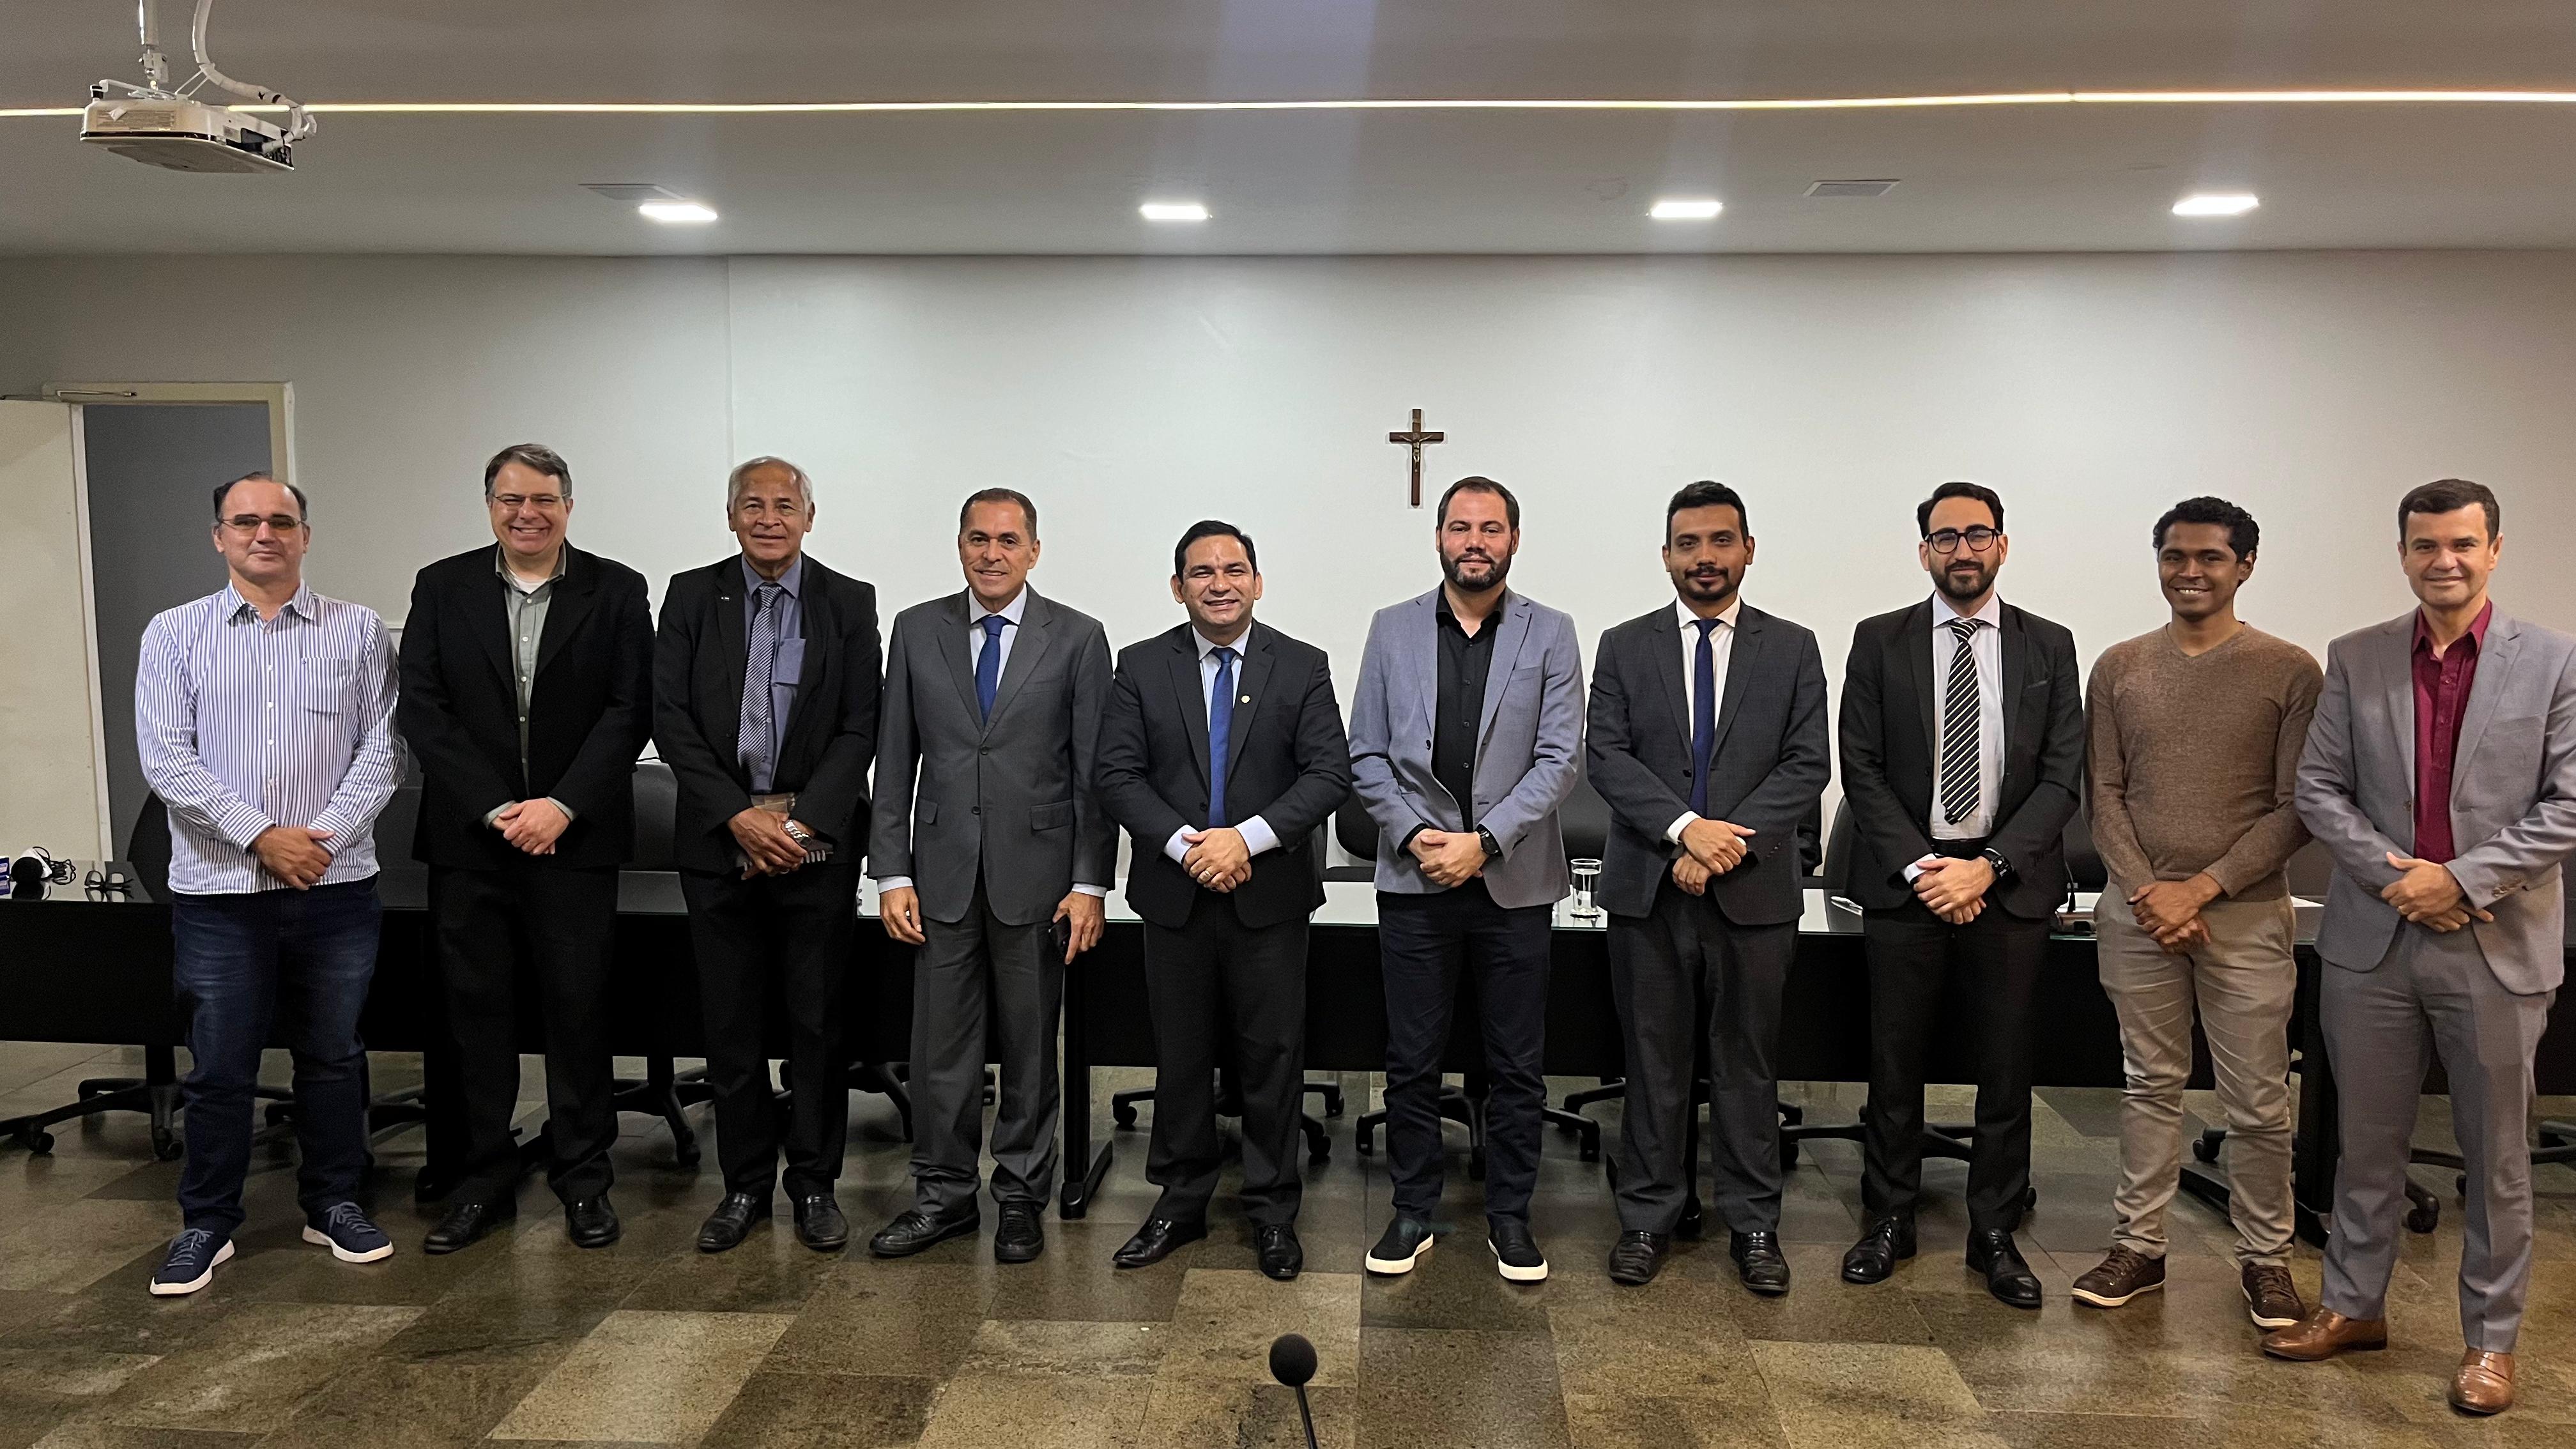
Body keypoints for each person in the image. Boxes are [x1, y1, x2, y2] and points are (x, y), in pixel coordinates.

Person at [2269, 479, 2575, 1416]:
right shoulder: (2356, 656)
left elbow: (2568, 804)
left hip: (2495, 942)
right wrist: (2398, 877)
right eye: (2425, 545)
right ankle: (2354, 1306)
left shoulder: (2554, 661)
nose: (2444, 560)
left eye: (2462, 544)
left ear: (2494, 550)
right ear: (2403, 553)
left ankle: (2491, 1342)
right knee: (2365, 1145)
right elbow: (2319, 789)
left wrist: (2461, 880)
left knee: (2497, 1157)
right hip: (2373, 940)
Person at [135, 471, 405, 1296]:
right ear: (219, 536)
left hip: (334, 885)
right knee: (220, 1066)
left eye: (281, 522)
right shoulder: (174, 634)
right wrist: (262, 837)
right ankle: (207, 1222)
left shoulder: (359, 631)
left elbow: (384, 750)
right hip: (220, 893)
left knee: (334, 1055)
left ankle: (334, 1203)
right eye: (246, 521)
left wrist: (318, 842)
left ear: (305, 536)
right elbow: (166, 760)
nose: (264, 534)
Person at [397, 444, 654, 1254]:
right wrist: (497, 807)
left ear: (568, 506)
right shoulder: (442, 586)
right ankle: (480, 1183)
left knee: (579, 1015)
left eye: (543, 499)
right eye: (511, 499)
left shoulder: (617, 589)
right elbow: (423, 708)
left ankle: (585, 1182)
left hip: (574, 845)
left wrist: (562, 806)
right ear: (490, 506)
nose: (527, 514)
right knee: (475, 1022)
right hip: (471, 845)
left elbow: (630, 711)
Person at [2071, 496, 2319, 1330]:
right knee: (2148, 1086)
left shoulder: (2289, 671)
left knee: (2258, 1102)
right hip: (2138, 914)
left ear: (2245, 565)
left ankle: (2267, 1259)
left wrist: (2203, 887)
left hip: (2244, 916)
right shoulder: (2119, 667)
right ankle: (2138, 1247)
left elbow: (2297, 807)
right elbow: (2103, 793)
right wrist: (2150, 891)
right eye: (2175, 556)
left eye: (2210, 557)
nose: (2190, 572)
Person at [1836, 480, 2083, 1309]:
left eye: (1978, 535)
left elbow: (2062, 777)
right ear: (1924, 553)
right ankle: (1888, 1218)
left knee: (2006, 1069)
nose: (1963, 550)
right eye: (1945, 537)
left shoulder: (2050, 645)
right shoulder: (1880, 640)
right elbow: (1861, 767)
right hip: (1908, 884)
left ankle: (1995, 1232)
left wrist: (1991, 867)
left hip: (2007, 887)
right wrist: (1925, 867)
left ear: (2002, 546)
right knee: (1893, 1063)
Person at [1584, 482, 1829, 1291]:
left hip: (1753, 894)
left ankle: (1754, 1224)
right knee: (1652, 1062)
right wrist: (1686, 830)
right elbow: (1607, 758)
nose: (1705, 558)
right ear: (1666, 556)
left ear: (1748, 550)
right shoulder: (1625, 646)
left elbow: (1806, 766)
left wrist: (1723, 843)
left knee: (1746, 1065)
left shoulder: (1792, 648)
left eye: (1721, 541)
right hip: (1649, 890)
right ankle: (1647, 1217)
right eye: (1688, 544)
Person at [1094, 521, 1353, 1280]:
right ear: (1178, 588)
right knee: (1181, 1057)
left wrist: (1245, 841)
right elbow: (1116, 775)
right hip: (1175, 896)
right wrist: (1190, 847)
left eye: (1234, 569)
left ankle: (1273, 1211)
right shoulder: (1141, 665)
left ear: (1258, 582)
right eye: (1202, 572)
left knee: (1273, 1056)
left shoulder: (1301, 665)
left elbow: (1328, 774)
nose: (1219, 583)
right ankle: (1180, 1203)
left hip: (1268, 896)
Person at [868, 489, 1116, 1264]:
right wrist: (891, 872)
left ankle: (1019, 1197)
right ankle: (942, 1196)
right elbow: (894, 760)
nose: (992, 553)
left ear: (1034, 551)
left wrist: (1090, 884)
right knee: (940, 1051)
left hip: (1039, 880)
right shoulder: (917, 630)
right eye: (978, 539)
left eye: (1009, 540)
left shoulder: (1078, 638)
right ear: (960, 546)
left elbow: (1094, 775)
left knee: (1031, 1048)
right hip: (939, 876)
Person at [1347, 476, 1584, 1282]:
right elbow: (1366, 754)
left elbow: (1560, 760)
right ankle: (1413, 1210)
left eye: (1490, 528)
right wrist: (1420, 837)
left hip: (1513, 883)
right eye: (1460, 527)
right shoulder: (1392, 628)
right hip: (1416, 880)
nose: (1474, 541)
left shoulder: (1552, 632)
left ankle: (1510, 1217)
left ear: (1514, 539)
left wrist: (1483, 843)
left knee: (1516, 1064)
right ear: (1439, 538)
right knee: (1411, 1061)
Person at [654, 457, 881, 1254]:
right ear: (731, 517)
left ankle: (815, 1184)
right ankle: (744, 1186)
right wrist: (738, 817)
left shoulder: (848, 600)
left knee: (817, 1023)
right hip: (719, 843)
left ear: (809, 518)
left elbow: (860, 724)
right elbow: (670, 717)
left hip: (814, 846)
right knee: (732, 1025)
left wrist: (802, 823)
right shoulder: (692, 595)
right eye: (753, 505)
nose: (769, 519)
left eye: (785, 506)